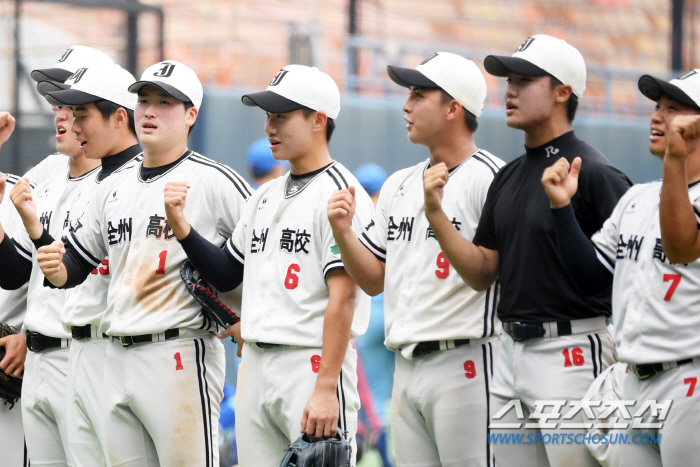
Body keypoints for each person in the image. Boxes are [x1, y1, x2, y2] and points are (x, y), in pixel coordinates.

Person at [421, 36, 632, 467]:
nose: (509, 89)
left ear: (562, 91)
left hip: (573, 350)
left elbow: (632, 277)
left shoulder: (594, 172)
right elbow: (483, 273)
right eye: (508, 79)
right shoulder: (509, 175)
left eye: (524, 79)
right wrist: (437, 216)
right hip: (508, 354)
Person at [37, 60, 251, 466]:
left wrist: (244, 316)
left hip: (179, 353)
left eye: (165, 102)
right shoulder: (112, 184)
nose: (150, 110)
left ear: (191, 115)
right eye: (144, 99)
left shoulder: (215, 180)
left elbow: (258, 256)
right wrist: (55, 265)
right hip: (115, 355)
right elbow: (75, 265)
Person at [163, 64, 373, 466]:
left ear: (318, 120)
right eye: (267, 116)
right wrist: (183, 228)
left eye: (281, 115)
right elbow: (227, 272)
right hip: (255, 363)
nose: (269, 127)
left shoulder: (342, 193)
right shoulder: (264, 196)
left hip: (309, 364)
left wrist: (327, 387)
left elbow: (343, 298)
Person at [329, 52, 505, 467]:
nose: (406, 105)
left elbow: (486, 275)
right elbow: (372, 280)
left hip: (468, 362)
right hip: (405, 367)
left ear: (453, 108)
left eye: (419, 94)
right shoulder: (398, 183)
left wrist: (436, 214)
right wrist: (343, 233)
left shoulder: (492, 178)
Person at [541, 69, 700, 466]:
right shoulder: (636, 199)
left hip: (690, 381)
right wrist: (563, 209)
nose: (657, 117)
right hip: (634, 382)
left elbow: (681, 247)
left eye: (674, 108)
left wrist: (676, 160)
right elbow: (591, 276)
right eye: (657, 106)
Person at [33, 63, 141, 467]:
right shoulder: (81, 181)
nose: (73, 125)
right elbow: (67, 270)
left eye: (82, 114)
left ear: (117, 116)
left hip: (119, 349)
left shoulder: (145, 178)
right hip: (73, 349)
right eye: (70, 113)